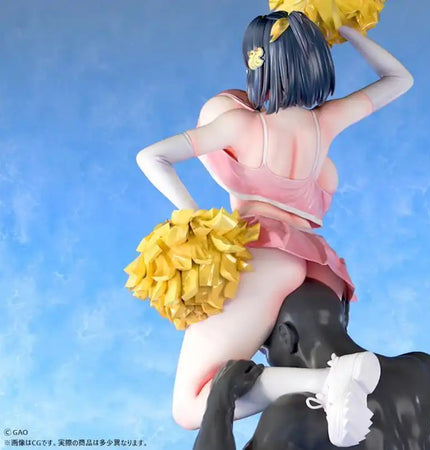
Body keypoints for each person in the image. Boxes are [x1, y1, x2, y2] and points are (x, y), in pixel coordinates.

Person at [126, 8, 414, 447]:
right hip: (320, 267)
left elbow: (151, 157)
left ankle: (328, 382)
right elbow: (399, 79)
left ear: (256, 64)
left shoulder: (241, 124)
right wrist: (345, 26)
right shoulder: (325, 121)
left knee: (188, 406)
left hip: (260, 259)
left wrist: (195, 219)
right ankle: (331, 382)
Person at [193, 279, 430, 450]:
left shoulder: (293, 416)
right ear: (344, 317)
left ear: (286, 336)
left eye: (266, 350)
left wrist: (219, 402)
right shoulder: (428, 373)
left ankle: (327, 381)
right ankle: (330, 379)